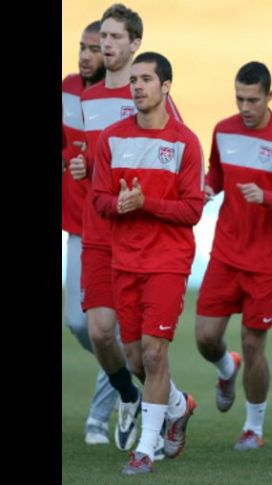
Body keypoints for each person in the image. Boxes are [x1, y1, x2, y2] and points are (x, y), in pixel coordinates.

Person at [68, 3, 181, 459]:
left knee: (142, 350)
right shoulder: (88, 99)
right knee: (94, 330)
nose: (106, 46)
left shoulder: (152, 95)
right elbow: (88, 158)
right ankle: (132, 396)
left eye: (115, 39)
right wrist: (78, 165)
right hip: (97, 226)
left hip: (138, 235)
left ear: (135, 45)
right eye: (103, 39)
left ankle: (159, 408)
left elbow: (174, 151)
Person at [92, 51, 203, 475]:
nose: (136, 86)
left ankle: (146, 448)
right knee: (137, 359)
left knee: (156, 354)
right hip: (125, 261)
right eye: (133, 80)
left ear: (166, 87)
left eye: (145, 79)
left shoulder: (185, 142)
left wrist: (146, 203)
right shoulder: (112, 139)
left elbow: (193, 210)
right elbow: (99, 200)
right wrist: (119, 205)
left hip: (168, 262)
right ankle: (177, 405)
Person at [194, 61, 272, 451]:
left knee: (252, 341)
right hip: (226, 253)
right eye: (240, 98)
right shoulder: (223, 130)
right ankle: (227, 369)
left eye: (253, 100)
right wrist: (209, 188)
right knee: (206, 338)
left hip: (268, 261)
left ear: (269, 97)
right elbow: (217, 173)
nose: (245, 107)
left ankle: (253, 428)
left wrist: (268, 198)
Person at [61, 19, 118, 446]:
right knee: (79, 324)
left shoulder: (129, 95)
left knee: (101, 327)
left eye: (94, 48)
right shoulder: (67, 88)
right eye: (82, 47)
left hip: (118, 224)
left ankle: (101, 416)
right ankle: (120, 368)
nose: (85, 56)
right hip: (78, 224)